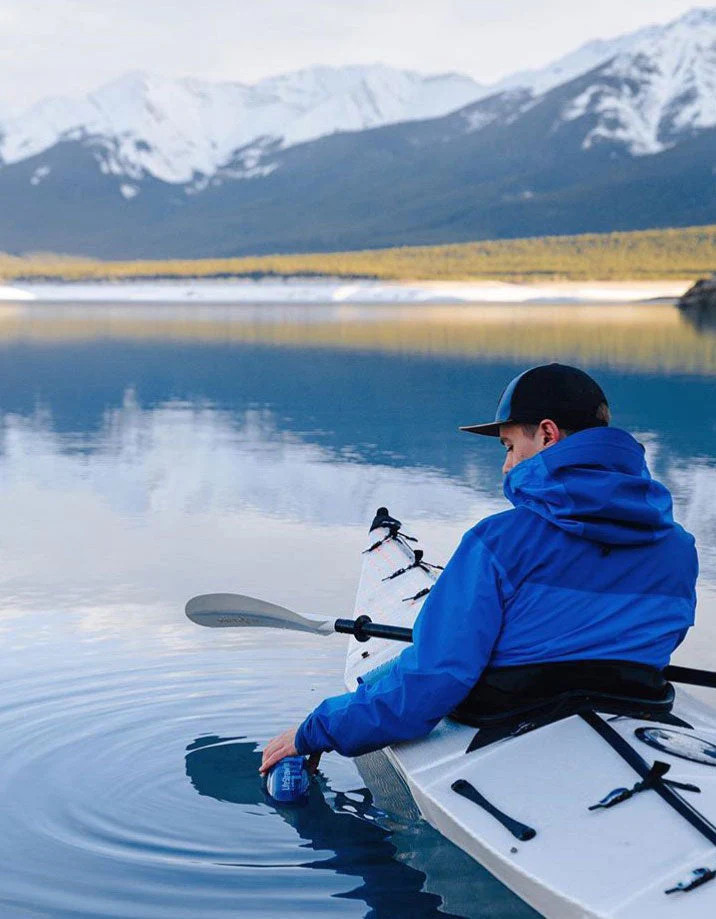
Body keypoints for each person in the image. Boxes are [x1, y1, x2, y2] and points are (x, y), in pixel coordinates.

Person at [260, 363, 698, 775]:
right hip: (634, 707)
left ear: (547, 435)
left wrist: (318, 728)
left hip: (506, 716)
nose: (506, 464)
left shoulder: (498, 543)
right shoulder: (679, 548)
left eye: (509, 447)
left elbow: (434, 681)